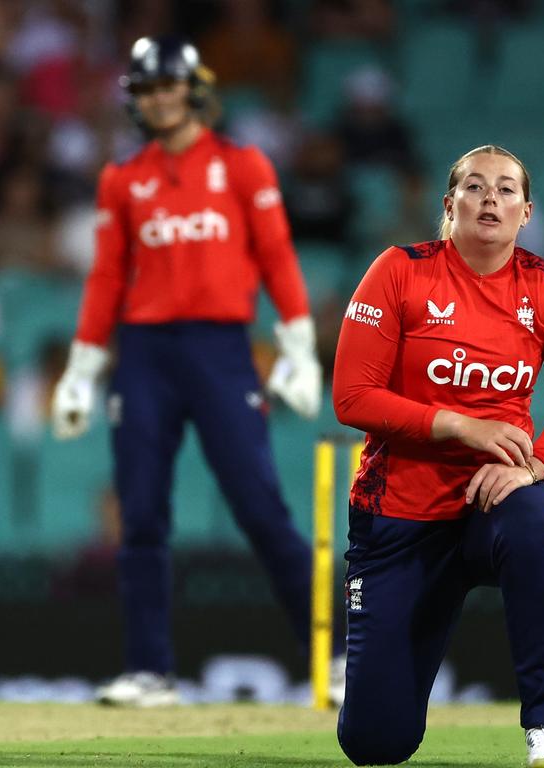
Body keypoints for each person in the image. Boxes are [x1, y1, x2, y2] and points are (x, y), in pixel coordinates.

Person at [50, 36, 345, 706]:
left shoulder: (242, 167)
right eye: (147, 89)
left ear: (192, 88)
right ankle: (150, 671)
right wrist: (80, 368)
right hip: (144, 355)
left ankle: (335, 661)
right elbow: (104, 280)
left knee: (260, 508)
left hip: (220, 351)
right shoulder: (122, 180)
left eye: (167, 86)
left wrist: (299, 350)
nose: (158, 99)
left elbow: (276, 257)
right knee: (143, 515)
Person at [332, 145, 544, 767]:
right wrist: (461, 426)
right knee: (375, 745)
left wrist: (534, 466)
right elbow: (352, 396)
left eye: (506, 190)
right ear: (449, 204)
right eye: (475, 187)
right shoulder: (398, 271)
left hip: (499, 496)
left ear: (526, 211)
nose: (491, 199)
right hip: (401, 514)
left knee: (537, 523)